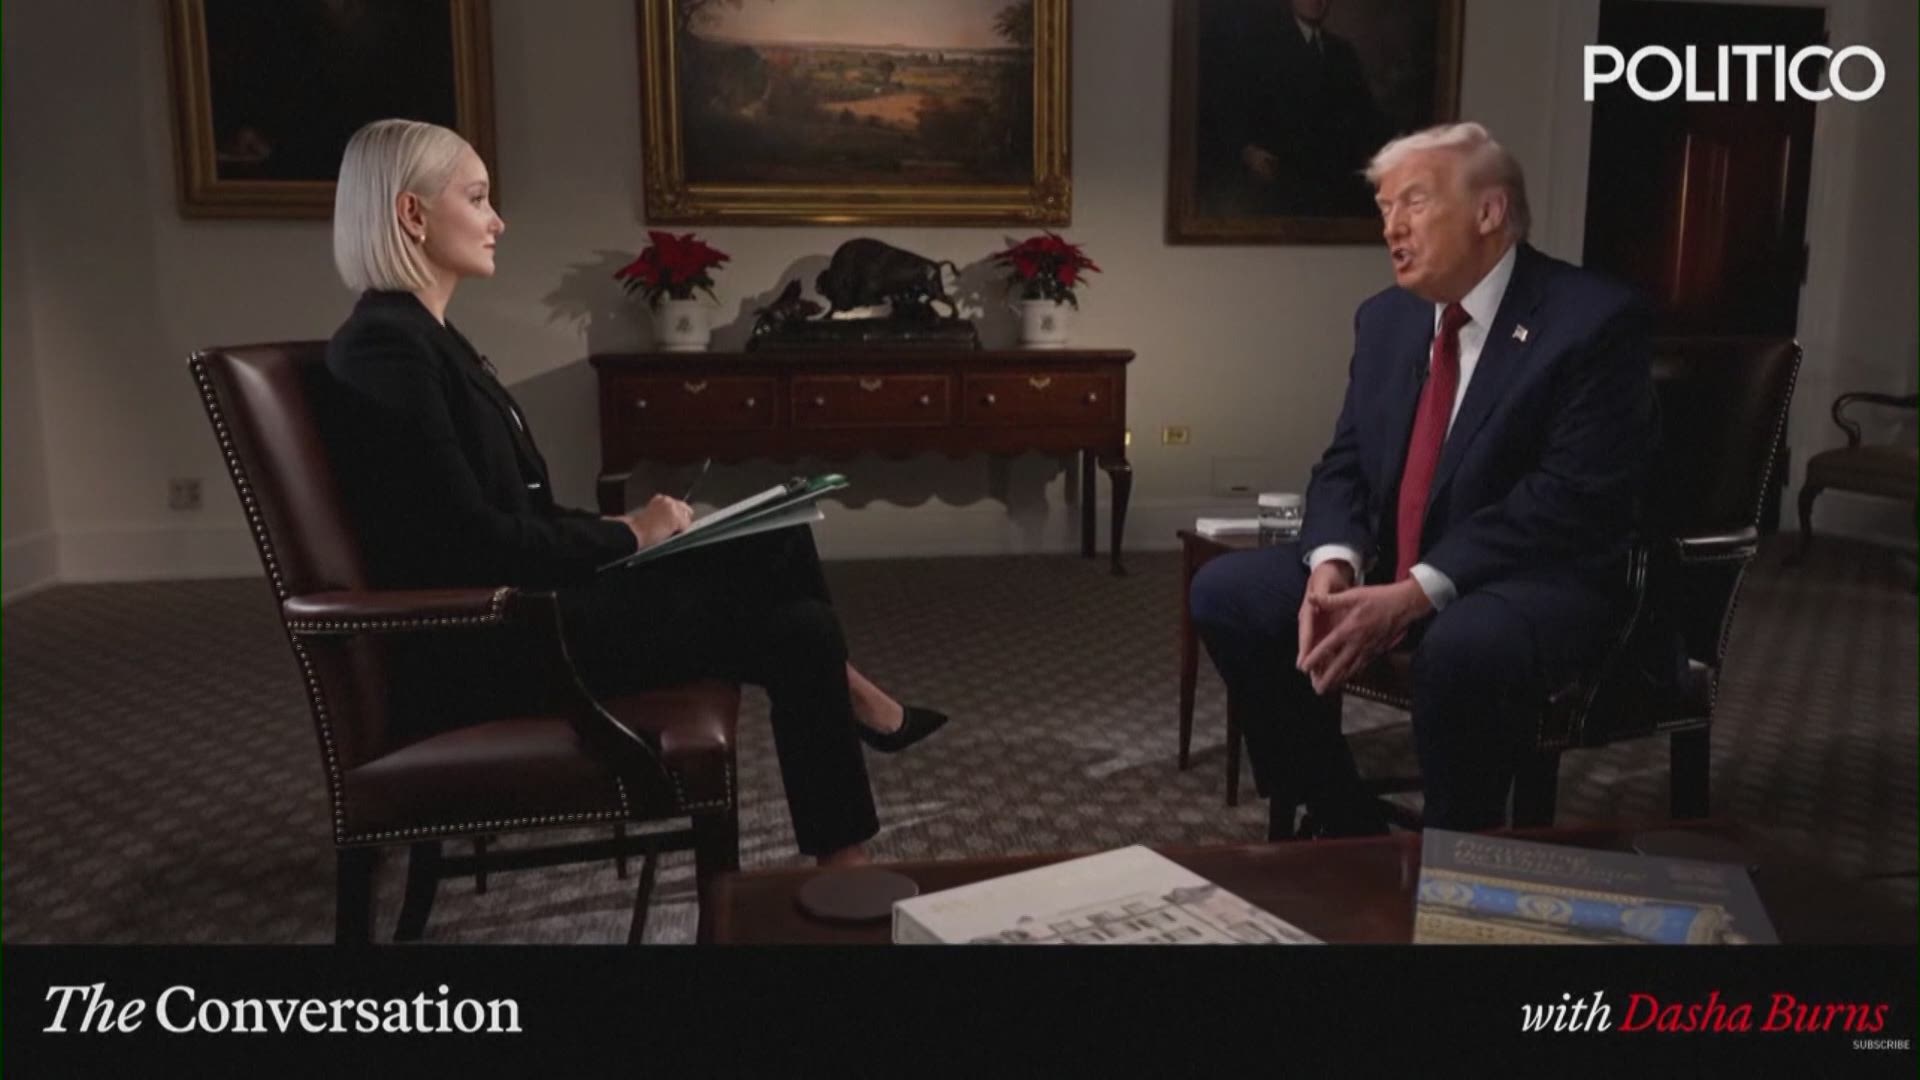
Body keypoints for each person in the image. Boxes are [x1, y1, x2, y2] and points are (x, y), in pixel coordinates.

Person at [321, 119, 947, 869]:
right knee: (799, 626)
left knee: (777, 537)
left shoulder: (425, 339)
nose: (498, 220)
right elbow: (470, 542)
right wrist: (630, 534)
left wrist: (630, 527)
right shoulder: (388, 348)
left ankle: (849, 761)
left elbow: (514, 513)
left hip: (526, 605)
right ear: (412, 214)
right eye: (478, 198)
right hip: (495, 639)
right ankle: (847, 829)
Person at [1190, 122, 1656, 838]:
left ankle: (1456, 849)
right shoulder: (1386, 319)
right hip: (1399, 560)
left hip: (1530, 578)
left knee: (1463, 648)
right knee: (1230, 593)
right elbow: (1346, 462)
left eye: (1413, 202)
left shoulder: (1591, 319)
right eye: (1384, 209)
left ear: (1489, 211)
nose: (1392, 228)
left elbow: (1567, 499)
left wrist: (1418, 590)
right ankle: (1340, 817)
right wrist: (1333, 563)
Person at [1197, 0, 1390, 218]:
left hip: (1336, 182)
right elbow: (1231, 106)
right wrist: (1247, 150)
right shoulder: (1262, 47)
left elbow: (1367, 117)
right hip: (1281, 182)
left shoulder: (1342, 53)